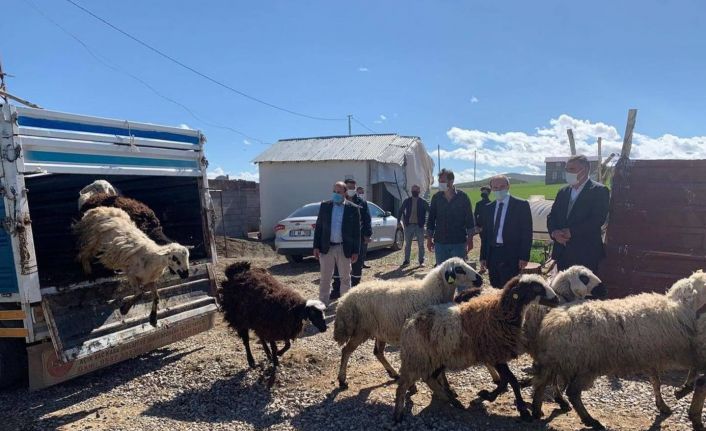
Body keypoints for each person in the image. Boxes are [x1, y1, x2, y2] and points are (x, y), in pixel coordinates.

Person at [547, 154, 610, 272]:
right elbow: (552, 216)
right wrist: (554, 232)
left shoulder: (599, 191)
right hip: (563, 252)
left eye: (571, 169)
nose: (568, 173)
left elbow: (597, 219)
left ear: (584, 170)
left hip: (586, 253)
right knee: (563, 283)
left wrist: (572, 231)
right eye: (566, 169)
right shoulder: (563, 191)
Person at [479, 175, 533, 288]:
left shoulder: (521, 205)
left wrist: (524, 256)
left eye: (502, 186)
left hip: (511, 255)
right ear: (491, 189)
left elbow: (527, 233)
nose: (499, 190)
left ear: (508, 186)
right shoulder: (488, 208)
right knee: (495, 288)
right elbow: (485, 235)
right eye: (495, 187)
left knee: (510, 289)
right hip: (493, 254)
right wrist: (483, 256)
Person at [313, 181, 361, 304]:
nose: (336, 194)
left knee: (345, 278)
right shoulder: (325, 206)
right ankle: (323, 303)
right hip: (327, 248)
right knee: (325, 278)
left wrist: (355, 251)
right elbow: (319, 227)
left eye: (339, 192)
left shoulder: (352, 209)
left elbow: (356, 233)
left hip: (344, 248)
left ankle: (345, 305)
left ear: (345, 193)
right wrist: (316, 246)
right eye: (334, 191)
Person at [329, 178, 371, 300]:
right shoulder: (339, 202)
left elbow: (367, 219)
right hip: (343, 239)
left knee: (357, 265)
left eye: (353, 188)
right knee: (338, 266)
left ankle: (355, 289)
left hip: (358, 238)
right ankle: (336, 289)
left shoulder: (362, 203)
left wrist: (367, 235)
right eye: (349, 188)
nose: (351, 190)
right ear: (344, 189)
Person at [426, 169, 475, 266]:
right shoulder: (436, 198)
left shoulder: (463, 197)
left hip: (459, 242)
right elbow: (431, 219)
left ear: (452, 181)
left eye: (443, 181)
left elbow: (469, 220)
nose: (440, 184)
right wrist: (429, 239)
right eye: (439, 181)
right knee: (442, 271)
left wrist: (470, 239)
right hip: (440, 243)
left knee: (458, 271)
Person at [398, 184, 430, 266]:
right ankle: (407, 261)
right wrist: (398, 222)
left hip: (419, 226)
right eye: (413, 190)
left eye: (416, 190)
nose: (414, 191)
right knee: (408, 245)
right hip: (409, 226)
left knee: (421, 245)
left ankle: (421, 261)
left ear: (419, 191)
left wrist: (429, 223)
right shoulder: (407, 201)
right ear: (411, 191)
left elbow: (430, 211)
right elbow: (401, 210)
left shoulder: (423, 202)